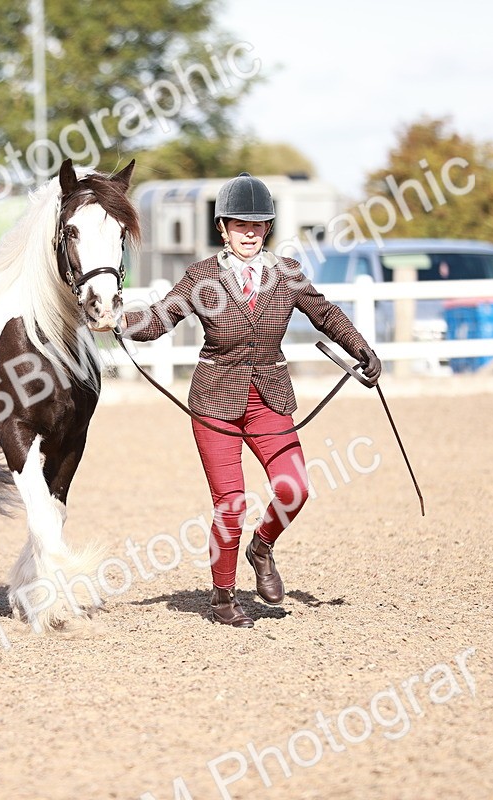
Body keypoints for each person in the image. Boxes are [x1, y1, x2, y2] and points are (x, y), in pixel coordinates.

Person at [118, 173, 382, 628]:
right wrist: (117, 318)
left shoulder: (287, 273)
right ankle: (222, 595)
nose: (250, 233)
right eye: (240, 225)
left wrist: (360, 347)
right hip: (215, 402)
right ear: (223, 227)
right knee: (231, 503)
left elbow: (325, 313)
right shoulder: (203, 276)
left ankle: (261, 548)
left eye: (258, 225)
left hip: (270, 398)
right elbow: (162, 318)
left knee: (294, 487)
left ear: (268, 228)